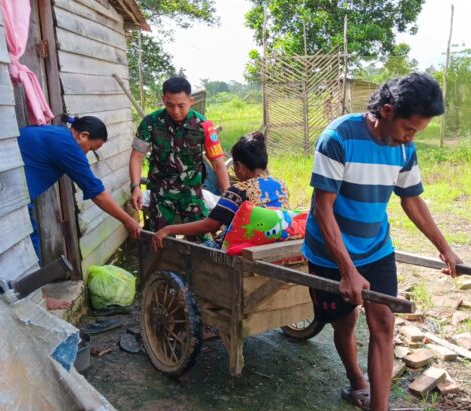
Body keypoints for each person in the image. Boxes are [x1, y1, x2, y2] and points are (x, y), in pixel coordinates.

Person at [302, 72, 462, 411]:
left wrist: (445, 247)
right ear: (386, 111)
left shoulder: (404, 148)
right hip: (330, 250)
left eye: (417, 131)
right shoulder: (338, 138)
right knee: (344, 321)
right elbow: (322, 210)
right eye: (408, 128)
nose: (411, 137)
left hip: (376, 248)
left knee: (384, 325)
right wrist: (347, 270)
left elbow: (411, 200)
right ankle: (356, 380)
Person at [18, 115, 142, 307]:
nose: (86, 154)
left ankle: (34, 298)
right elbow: (97, 193)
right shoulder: (68, 146)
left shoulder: (58, 133)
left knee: (28, 239)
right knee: (27, 243)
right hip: (12, 196)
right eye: (91, 148)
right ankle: (35, 300)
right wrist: (127, 220)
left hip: (13, 191)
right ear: (82, 136)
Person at [129, 76, 230, 236]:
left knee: (201, 241)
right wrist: (135, 187)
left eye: (181, 105)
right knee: (159, 240)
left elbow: (217, 162)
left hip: (191, 193)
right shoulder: (150, 122)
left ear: (191, 100)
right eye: (170, 105)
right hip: (161, 193)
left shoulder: (203, 125)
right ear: (163, 100)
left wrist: (227, 197)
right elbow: (136, 157)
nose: (175, 111)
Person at [151, 132, 287, 249]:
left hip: (244, 249)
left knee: (193, 254)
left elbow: (208, 225)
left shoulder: (238, 191)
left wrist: (168, 229)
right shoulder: (281, 185)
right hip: (275, 244)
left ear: (239, 166)